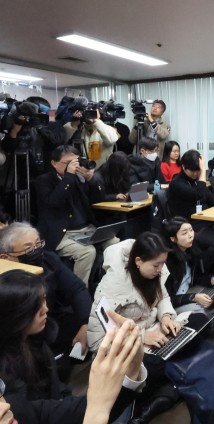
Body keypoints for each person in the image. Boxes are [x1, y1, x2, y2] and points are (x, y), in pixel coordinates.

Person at [0, 270, 146, 424]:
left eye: (43, 299)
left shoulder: (36, 340)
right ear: (15, 314)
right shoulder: (11, 389)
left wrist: (133, 368)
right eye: (35, 306)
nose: (46, 309)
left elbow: (54, 399)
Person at [87, 232, 188, 424]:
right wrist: (141, 336)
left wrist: (166, 316)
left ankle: (164, 392)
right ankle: (166, 392)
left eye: (163, 264)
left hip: (154, 333)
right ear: (138, 261)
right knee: (159, 365)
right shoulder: (113, 286)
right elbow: (97, 341)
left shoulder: (154, 271)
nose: (160, 269)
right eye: (156, 265)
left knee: (193, 328)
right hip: (128, 347)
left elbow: (163, 297)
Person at [0, 223, 92, 359]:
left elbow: (77, 289)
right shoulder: (6, 283)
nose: (36, 250)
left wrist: (86, 323)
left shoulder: (49, 259)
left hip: (52, 319)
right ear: (5, 258)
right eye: (29, 249)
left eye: (38, 244)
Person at [35, 145, 119, 285]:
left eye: (76, 162)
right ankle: (80, 292)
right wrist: (68, 176)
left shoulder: (79, 179)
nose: (74, 166)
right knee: (87, 252)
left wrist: (91, 179)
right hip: (62, 233)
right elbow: (54, 201)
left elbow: (99, 198)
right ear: (54, 163)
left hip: (86, 229)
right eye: (68, 163)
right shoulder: (43, 180)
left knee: (114, 242)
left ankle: (111, 284)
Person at [168, 150, 214, 274]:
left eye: (198, 170)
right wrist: (203, 171)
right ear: (183, 167)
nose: (196, 174)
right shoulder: (176, 183)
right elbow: (198, 194)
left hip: (205, 222)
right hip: (190, 226)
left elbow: (211, 199)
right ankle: (199, 270)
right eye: (193, 171)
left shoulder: (197, 182)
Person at [162, 217, 214, 321]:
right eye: (184, 233)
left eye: (191, 230)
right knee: (202, 312)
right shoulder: (168, 262)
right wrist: (193, 297)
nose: (190, 235)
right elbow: (166, 299)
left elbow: (193, 277)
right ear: (173, 238)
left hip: (190, 291)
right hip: (177, 301)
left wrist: (211, 280)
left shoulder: (190, 250)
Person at [1, 96, 67, 176]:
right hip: (24, 175)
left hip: (49, 173)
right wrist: (14, 131)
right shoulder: (21, 125)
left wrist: (40, 126)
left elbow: (56, 141)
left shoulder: (55, 126)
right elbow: (8, 148)